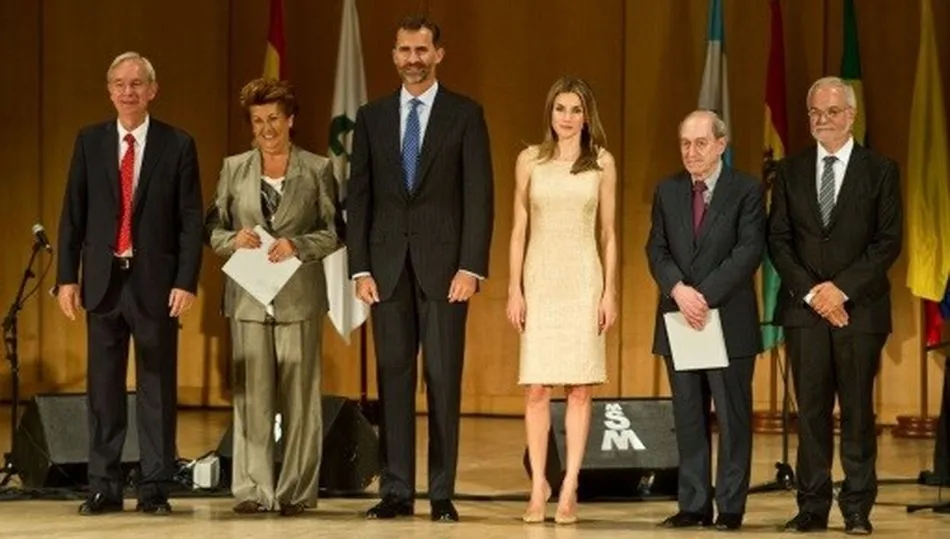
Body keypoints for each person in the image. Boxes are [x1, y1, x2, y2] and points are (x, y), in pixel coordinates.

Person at [346, 15, 494, 523]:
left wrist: (471, 266)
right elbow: (358, 197)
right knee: (393, 380)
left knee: (444, 379)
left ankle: (442, 493)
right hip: (386, 269)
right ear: (394, 55)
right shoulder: (371, 117)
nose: (413, 58)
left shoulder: (465, 115)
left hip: (446, 270)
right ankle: (396, 491)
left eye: (422, 50)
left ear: (439, 54)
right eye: (405, 50)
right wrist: (359, 267)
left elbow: (479, 197)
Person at [55, 51, 203, 516]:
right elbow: (72, 215)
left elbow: (190, 221)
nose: (127, 91)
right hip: (102, 283)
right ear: (109, 90)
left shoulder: (177, 145)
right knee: (104, 389)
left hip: (156, 285)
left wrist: (186, 280)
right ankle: (105, 484)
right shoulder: (89, 141)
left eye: (137, 83)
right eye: (119, 83)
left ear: (152, 90)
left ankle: (156, 486)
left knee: (157, 387)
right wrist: (65, 279)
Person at [768, 76, 902, 535]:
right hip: (805, 314)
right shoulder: (789, 171)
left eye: (831, 112)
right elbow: (779, 242)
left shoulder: (880, 170)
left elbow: (887, 243)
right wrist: (813, 293)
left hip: (859, 311)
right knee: (810, 412)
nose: (822, 121)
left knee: (858, 412)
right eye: (814, 113)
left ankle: (858, 507)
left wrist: (839, 290)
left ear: (851, 115)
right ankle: (811, 506)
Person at [205, 78, 341, 517]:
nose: (266, 128)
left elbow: (334, 230)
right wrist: (232, 239)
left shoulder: (317, 168)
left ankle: (296, 491)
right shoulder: (233, 168)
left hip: (298, 298)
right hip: (247, 298)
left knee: (301, 401)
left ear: (291, 120)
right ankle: (252, 489)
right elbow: (212, 228)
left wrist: (299, 246)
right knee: (252, 399)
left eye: (274, 119)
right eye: (258, 120)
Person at [645, 110, 765, 531]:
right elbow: (656, 250)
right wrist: (679, 291)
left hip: (726, 320)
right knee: (689, 416)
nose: (691, 152)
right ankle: (693, 504)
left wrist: (704, 296)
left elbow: (748, 251)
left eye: (700, 143)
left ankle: (729, 507)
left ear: (721, 144)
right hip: (679, 318)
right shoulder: (667, 190)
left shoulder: (746, 189)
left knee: (732, 419)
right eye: (684, 143)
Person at [505, 76, 618, 525]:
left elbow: (609, 232)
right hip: (541, 278)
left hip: (583, 278)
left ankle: (570, 484)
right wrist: (515, 288)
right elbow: (518, 228)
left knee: (580, 387)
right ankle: (539, 486)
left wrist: (610, 290)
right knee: (535, 387)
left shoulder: (602, 162)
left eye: (575, 110)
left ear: (587, 115)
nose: (566, 118)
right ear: (549, 112)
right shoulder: (529, 160)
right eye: (559, 109)